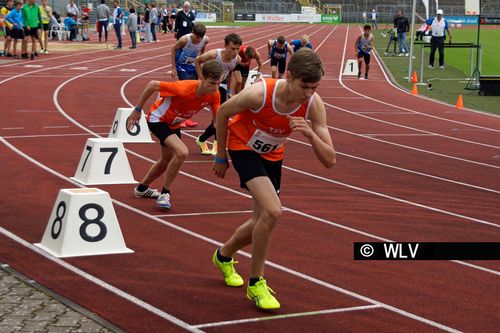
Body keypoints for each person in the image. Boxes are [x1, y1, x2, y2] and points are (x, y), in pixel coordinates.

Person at [212, 48, 335, 310]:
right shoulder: (260, 93)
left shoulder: (313, 104)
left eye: (315, 87)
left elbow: (330, 160)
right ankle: (255, 283)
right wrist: (220, 155)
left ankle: (223, 256)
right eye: (305, 86)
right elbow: (222, 112)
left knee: (262, 220)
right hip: (243, 145)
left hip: (272, 154)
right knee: (272, 211)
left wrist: (311, 135)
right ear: (289, 76)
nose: (309, 93)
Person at [126, 60, 223, 209]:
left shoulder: (214, 94)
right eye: (212, 83)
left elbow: (217, 123)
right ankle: (165, 194)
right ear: (202, 78)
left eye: (218, 83)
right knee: (182, 152)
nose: (215, 87)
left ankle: (141, 189)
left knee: (165, 160)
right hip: (157, 119)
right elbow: (152, 84)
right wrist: (137, 110)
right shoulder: (183, 88)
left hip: (173, 123)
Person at [194, 33, 242, 155]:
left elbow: (229, 73)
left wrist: (229, 91)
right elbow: (197, 61)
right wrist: (201, 77)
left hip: (221, 86)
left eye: (238, 49)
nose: (235, 52)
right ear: (225, 46)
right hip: (208, 85)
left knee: (221, 116)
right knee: (219, 117)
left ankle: (209, 142)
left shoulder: (237, 59)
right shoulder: (215, 54)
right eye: (232, 48)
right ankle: (204, 140)